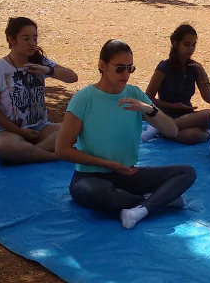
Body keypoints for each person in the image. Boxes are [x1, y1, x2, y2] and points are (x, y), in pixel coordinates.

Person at [56, 39, 196, 229]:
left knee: (186, 172)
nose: (126, 74)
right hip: (91, 176)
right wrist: (108, 164)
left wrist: (149, 109)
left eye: (130, 68)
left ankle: (139, 210)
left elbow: (172, 130)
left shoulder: (135, 94)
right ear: (102, 65)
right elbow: (62, 149)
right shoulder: (84, 98)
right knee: (95, 192)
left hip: (128, 174)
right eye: (120, 68)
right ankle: (155, 201)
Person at [0, 17, 79, 163]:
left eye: (35, 38)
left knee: (78, 129)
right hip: (8, 131)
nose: (32, 43)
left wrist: (47, 70)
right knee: (6, 146)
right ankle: (53, 155)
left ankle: (29, 153)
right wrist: (20, 131)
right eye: (25, 38)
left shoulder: (40, 62)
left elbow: (72, 77)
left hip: (40, 129)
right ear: (12, 40)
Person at [144, 24, 210, 144]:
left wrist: (204, 75)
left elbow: (209, 99)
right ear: (175, 44)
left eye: (194, 45)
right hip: (166, 114)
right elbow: (147, 98)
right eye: (187, 45)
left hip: (187, 117)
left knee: (204, 121)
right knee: (195, 131)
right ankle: (163, 128)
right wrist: (172, 106)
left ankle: (160, 130)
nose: (191, 49)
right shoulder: (164, 67)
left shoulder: (194, 68)